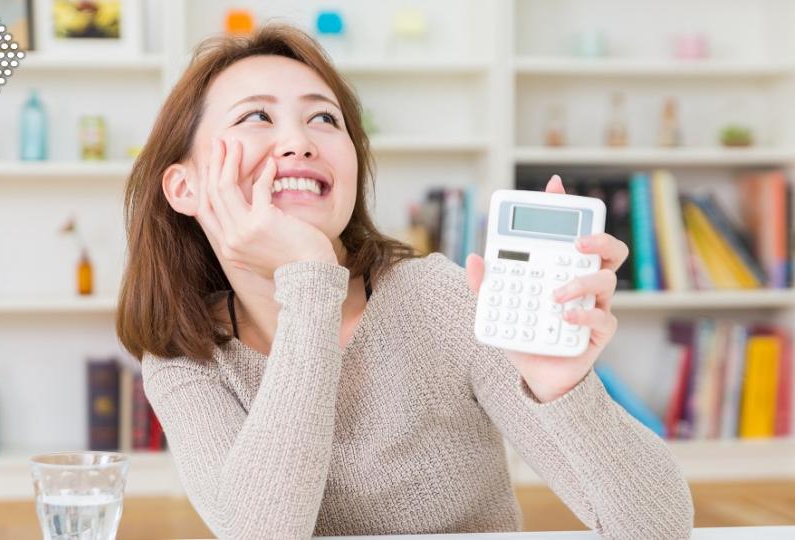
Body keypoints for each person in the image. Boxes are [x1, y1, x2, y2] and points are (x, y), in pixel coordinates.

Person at [116, 23, 693, 540]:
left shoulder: (441, 301)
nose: (301, 141)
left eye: (325, 118)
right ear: (184, 187)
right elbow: (261, 533)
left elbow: (660, 531)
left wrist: (565, 389)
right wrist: (311, 282)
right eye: (256, 116)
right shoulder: (184, 356)